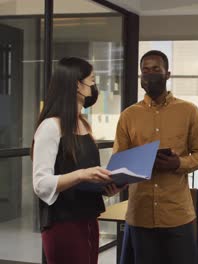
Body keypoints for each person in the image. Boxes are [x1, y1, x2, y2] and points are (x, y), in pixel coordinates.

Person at [114, 50, 198, 264]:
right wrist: (142, 161)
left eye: (156, 69)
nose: (150, 75)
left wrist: (179, 163)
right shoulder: (128, 116)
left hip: (178, 215)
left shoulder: (188, 111)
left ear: (167, 74)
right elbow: (119, 162)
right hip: (141, 216)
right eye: (145, 71)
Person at [32, 57, 123, 264]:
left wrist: (105, 186)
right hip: (63, 225)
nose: (94, 85)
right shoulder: (50, 126)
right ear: (76, 85)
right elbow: (40, 183)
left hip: (89, 220)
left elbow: (81, 176)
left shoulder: (84, 125)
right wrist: (82, 175)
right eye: (91, 80)